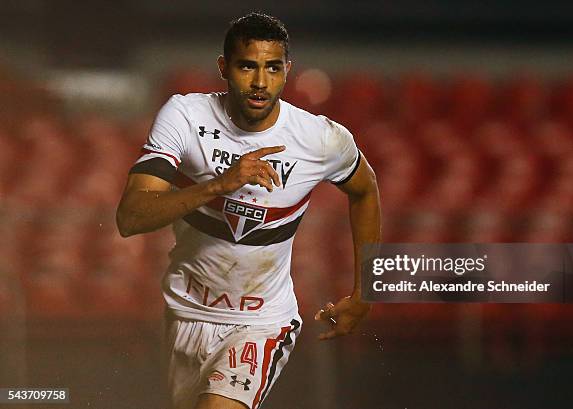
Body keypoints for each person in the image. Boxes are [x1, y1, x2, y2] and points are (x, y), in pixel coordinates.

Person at [116, 11, 381, 409]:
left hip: (262, 322)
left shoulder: (320, 138)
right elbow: (130, 217)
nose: (260, 83)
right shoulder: (185, 116)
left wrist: (366, 291)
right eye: (247, 67)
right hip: (184, 312)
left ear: (287, 71)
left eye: (273, 68)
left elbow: (366, 191)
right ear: (224, 68)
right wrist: (221, 184)